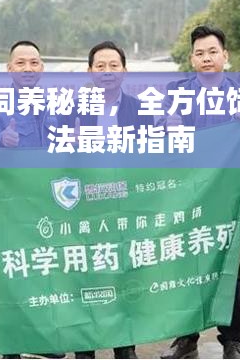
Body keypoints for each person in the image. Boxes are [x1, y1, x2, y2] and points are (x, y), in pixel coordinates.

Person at [160, 25, 240, 359]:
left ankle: (232, 339)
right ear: (192, 59)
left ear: (225, 56)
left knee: (228, 266)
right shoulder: (175, 93)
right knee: (186, 265)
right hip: (187, 197)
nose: (206, 58)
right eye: (199, 53)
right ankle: (187, 339)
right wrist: (166, 125)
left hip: (228, 199)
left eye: (212, 52)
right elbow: (156, 136)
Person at [72, 41, 154, 360]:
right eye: (100, 66)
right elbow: (51, 159)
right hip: (85, 207)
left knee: (124, 273)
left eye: (113, 65)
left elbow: (151, 157)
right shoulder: (72, 110)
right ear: (90, 71)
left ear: (124, 70)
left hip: (126, 206)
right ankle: (85, 347)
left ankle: (125, 346)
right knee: (85, 273)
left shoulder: (139, 109)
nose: (107, 71)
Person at [0, 40, 63, 360]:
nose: (28, 68)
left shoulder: (54, 104)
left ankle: (44, 341)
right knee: (13, 274)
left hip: (47, 204)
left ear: (42, 67)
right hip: (11, 206)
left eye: (34, 62)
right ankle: (12, 344)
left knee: (46, 273)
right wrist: (0, 141)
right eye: (21, 63)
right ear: (9, 68)